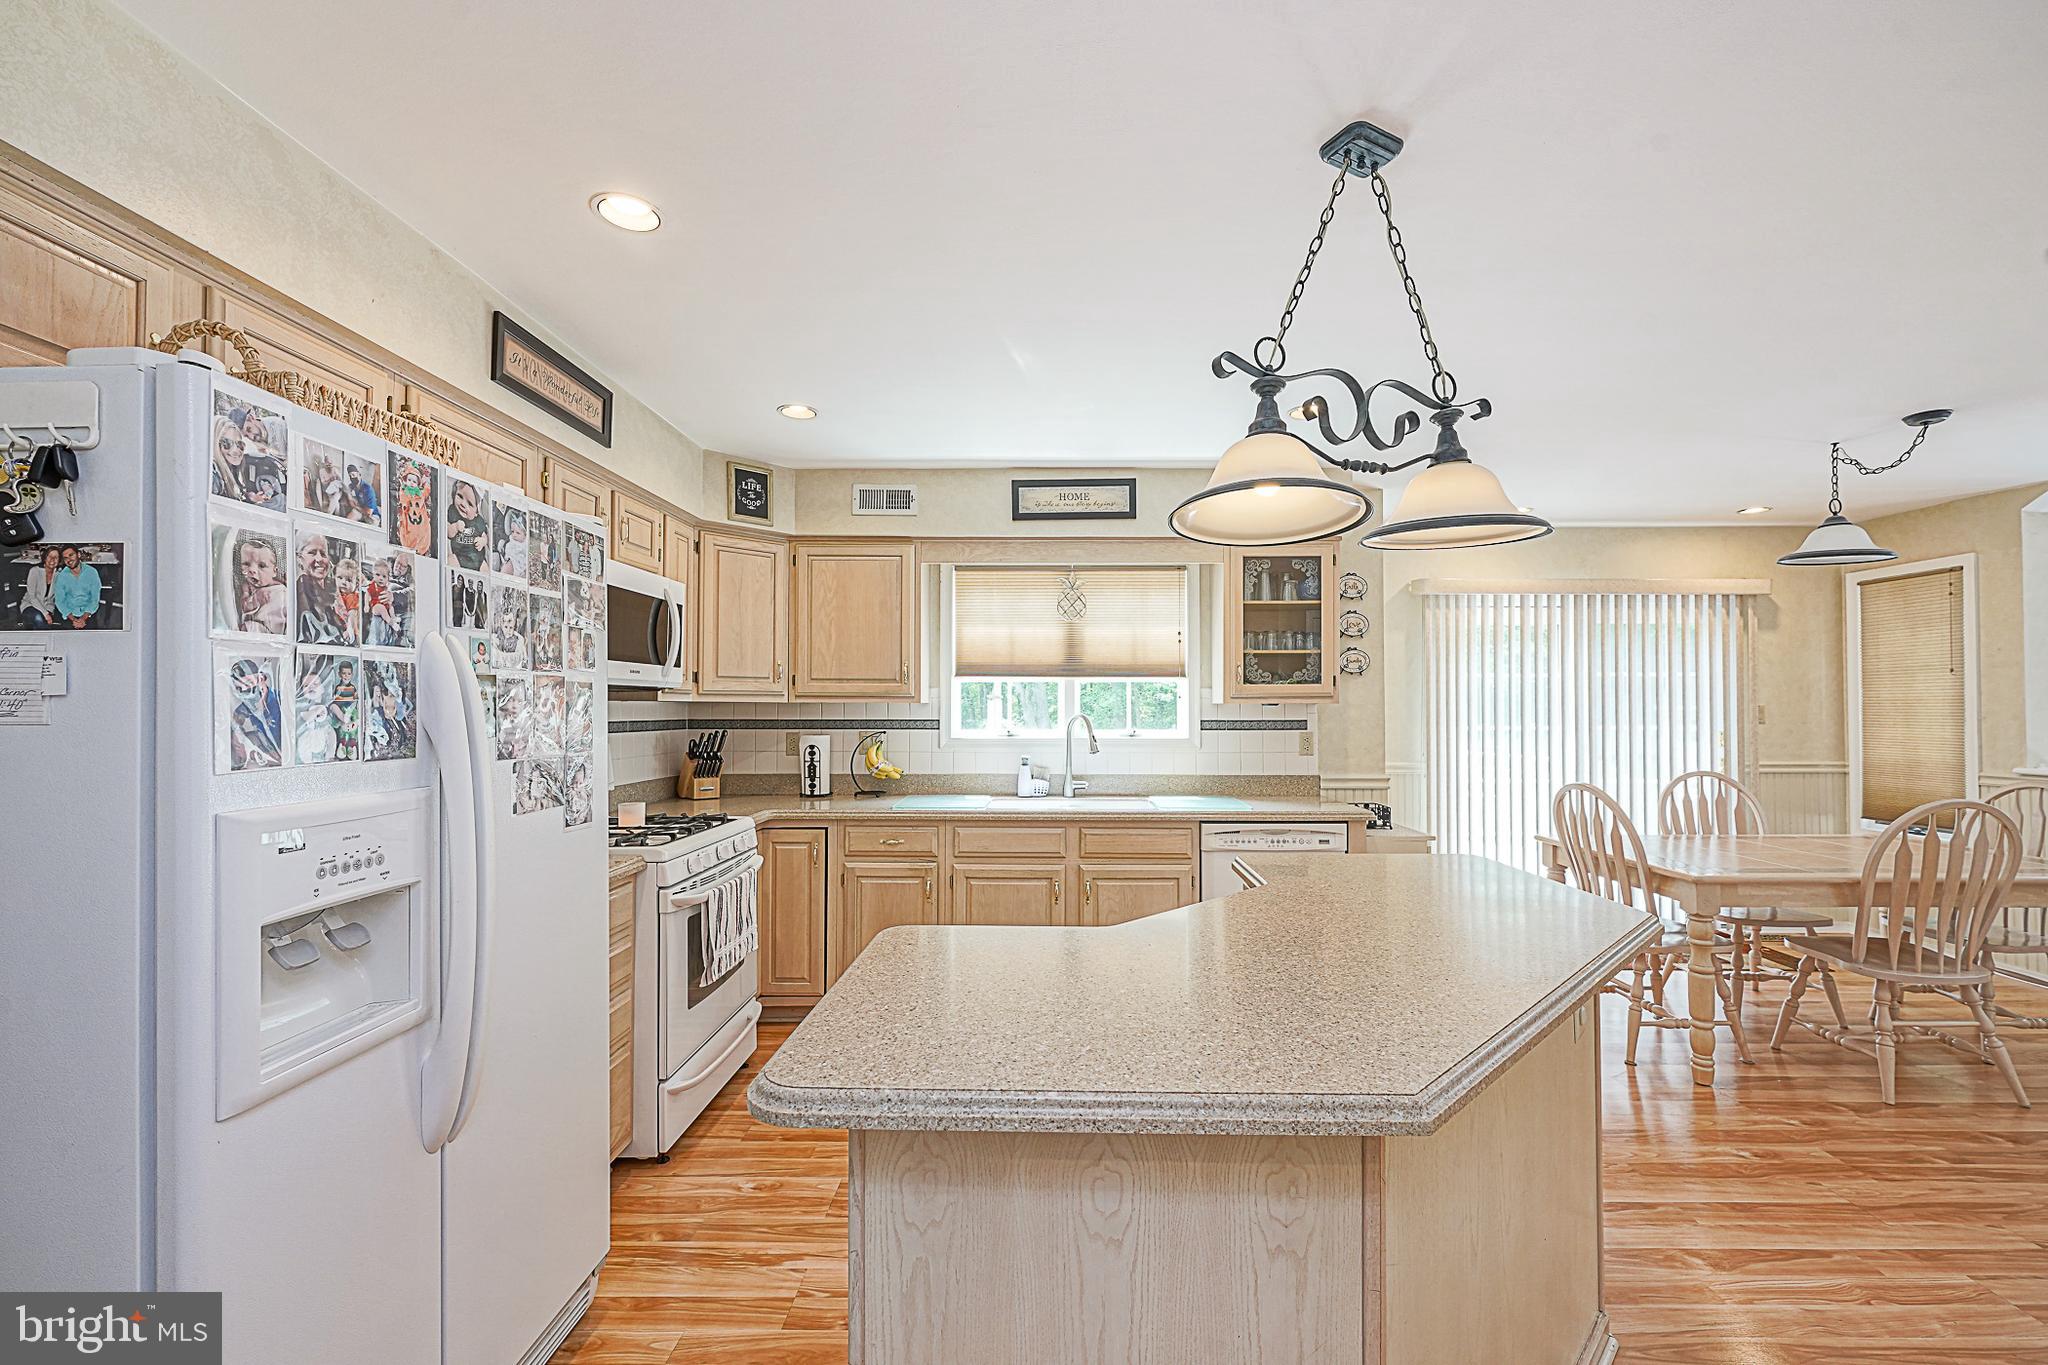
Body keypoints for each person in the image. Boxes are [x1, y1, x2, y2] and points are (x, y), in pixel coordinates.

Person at [227, 658, 284, 770]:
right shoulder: (246, 708)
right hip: (271, 764)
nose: (244, 689)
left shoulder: (281, 700)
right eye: (239, 687)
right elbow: (235, 726)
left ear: (261, 678)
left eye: (248, 683)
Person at [295, 533, 344, 644]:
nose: (319, 559)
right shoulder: (302, 586)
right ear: (299, 558)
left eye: (323, 553)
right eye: (312, 553)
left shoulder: (333, 587)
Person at [235, 533, 288, 635]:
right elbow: (245, 607)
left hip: (282, 625)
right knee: (247, 627)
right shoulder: (247, 587)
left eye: (262, 566)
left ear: (274, 571)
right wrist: (255, 600)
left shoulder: (280, 587)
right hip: (263, 628)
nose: (252, 570)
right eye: (246, 564)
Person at [445, 479, 489, 571]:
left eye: (470, 504)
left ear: (476, 512)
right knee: (449, 560)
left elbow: (485, 536)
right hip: (459, 556)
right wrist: (455, 527)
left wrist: (482, 541)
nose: (463, 504)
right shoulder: (453, 512)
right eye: (460, 496)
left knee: (486, 570)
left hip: (478, 560)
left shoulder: (479, 521)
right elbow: (448, 533)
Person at [53, 546, 103, 627]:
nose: (69, 560)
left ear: (78, 555)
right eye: (65, 558)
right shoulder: (61, 576)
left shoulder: (92, 572)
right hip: (69, 615)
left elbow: (94, 599)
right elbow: (60, 601)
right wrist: (74, 620)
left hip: (88, 614)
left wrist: (83, 618)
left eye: (71, 555)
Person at [19, 546, 59, 628]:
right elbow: (32, 597)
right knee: (38, 618)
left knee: (42, 622)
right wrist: (45, 614)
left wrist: (48, 612)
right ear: (45, 558)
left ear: (59, 560)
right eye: (50, 556)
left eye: (56, 557)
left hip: (47, 607)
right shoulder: (35, 571)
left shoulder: (59, 574)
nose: (52, 559)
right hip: (30, 605)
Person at [330, 659, 359, 761]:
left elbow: (355, 701)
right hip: (341, 710)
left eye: (349, 674)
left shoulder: (353, 688)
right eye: (344, 673)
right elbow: (336, 701)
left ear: (352, 675)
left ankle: (352, 745)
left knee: (352, 727)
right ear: (339, 674)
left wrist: (352, 711)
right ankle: (341, 744)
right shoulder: (338, 688)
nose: (346, 676)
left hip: (350, 710)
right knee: (341, 727)